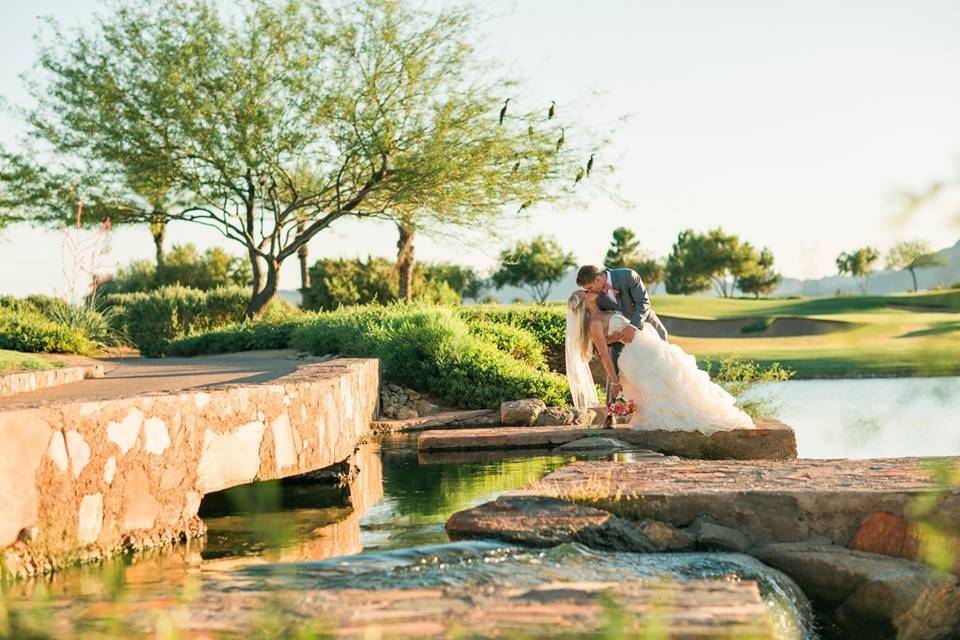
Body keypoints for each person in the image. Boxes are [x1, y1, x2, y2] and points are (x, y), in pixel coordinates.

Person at [565, 289, 753, 434]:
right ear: (584, 303)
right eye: (586, 293)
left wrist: (614, 337)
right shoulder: (594, 323)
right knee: (661, 383)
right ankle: (683, 416)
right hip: (635, 355)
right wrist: (615, 381)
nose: (590, 292)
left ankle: (697, 410)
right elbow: (605, 355)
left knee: (675, 376)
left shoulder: (604, 310)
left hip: (645, 345)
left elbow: (611, 336)